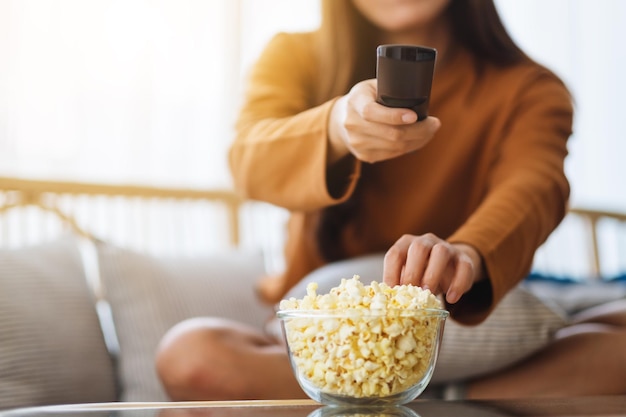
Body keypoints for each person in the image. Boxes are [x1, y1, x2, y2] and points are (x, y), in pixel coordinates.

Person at [156, 0, 626, 400]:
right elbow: (248, 160)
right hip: (325, 335)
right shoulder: (296, 56)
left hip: (465, 308)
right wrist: (337, 126)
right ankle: (451, 397)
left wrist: (467, 253)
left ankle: (405, 393)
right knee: (191, 356)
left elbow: (535, 187)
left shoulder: (530, 88)